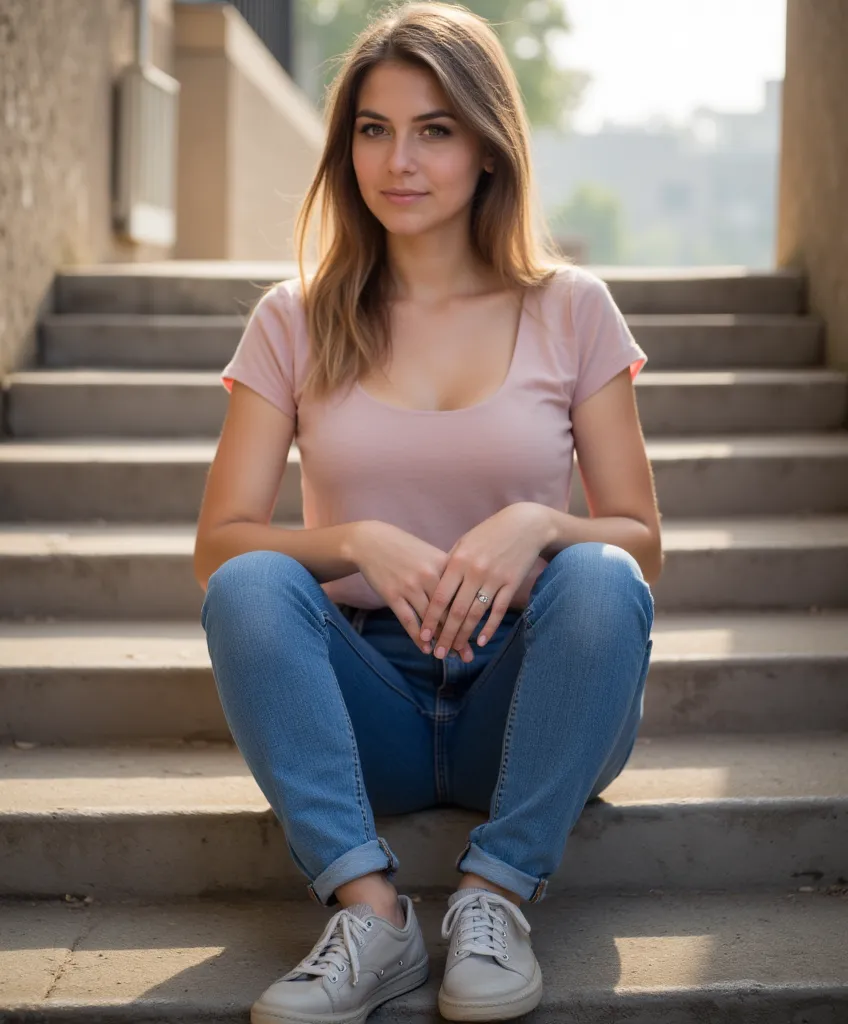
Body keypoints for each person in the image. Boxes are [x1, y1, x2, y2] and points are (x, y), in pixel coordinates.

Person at [194, 2, 661, 1022]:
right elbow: (219, 543)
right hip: (370, 707)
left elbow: (637, 537)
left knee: (598, 574)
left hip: (529, 695)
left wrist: (539, 524)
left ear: (487, 149)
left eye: (433, 129)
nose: (397, 160)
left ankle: (494, 895)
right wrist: (354, 538)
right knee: (249, 583)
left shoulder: (570, 308)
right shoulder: (295, 318)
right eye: (373, 128)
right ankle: (373, 917)